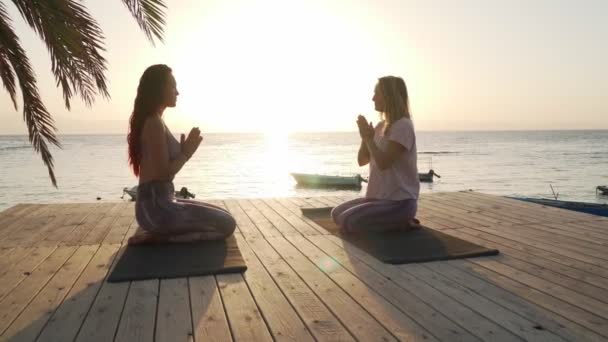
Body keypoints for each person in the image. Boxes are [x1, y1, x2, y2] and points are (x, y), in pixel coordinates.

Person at [126, 64, 236, 244]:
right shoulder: (153, 123)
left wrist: (185, 153)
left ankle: (162, 235)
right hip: (156, 210)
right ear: (158, 89)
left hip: (160, 203)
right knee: (227, 224)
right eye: (173, 86)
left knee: (224, 215)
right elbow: (164, 174)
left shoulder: (156, 120)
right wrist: (186, 153)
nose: (177, 92)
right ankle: (162, 239)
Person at [331, 76, 420, 233]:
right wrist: (365, 138)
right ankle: (394, 222)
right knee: (336, 214)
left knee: (348, 220)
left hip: (399, 203)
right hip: (377, 199)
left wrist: (368, 139)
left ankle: (403, 221)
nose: (373, 98)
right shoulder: (380, 126)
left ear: (389, 96)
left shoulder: (403, 126)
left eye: (376, 93)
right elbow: (362, 160)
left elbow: (383, 163)